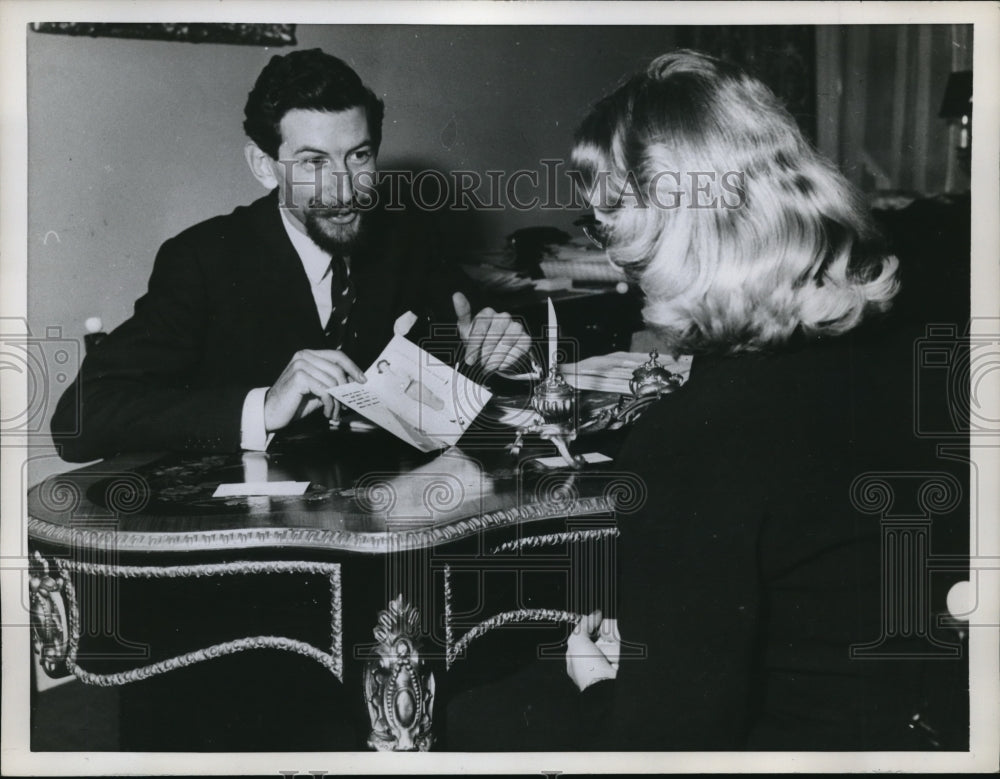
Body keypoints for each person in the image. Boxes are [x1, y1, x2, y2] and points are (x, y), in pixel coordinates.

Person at [553, 50, 968, 750]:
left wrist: (599, 684)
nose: (626, 274)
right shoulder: (924, 361)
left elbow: (665, 749)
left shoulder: (696, 436)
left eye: (620, 234)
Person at [50, 49, 530, 463]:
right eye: (313, 162)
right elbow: (79, 418)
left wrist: (490, 354)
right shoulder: (202, 261)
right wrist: (264, 407)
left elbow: (464, 355)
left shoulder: (406, 240)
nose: (344, 188)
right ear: (264, 166)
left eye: (359, 156)